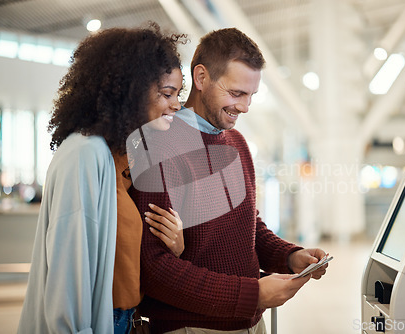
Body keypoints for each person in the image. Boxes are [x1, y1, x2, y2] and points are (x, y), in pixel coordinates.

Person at [128, 28, 329, 334]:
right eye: (236, 93)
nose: (245, 107)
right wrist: (255, 294)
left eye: (251, 95)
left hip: (250, 322)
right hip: (191, 327)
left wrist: (289, 256)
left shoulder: (237, 143)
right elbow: (155, 269)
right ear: (201, 77)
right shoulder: (160, 146)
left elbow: (248, 227)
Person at [18, 23, 186, 334]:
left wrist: (174, 246)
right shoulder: (86, 155)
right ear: (131, 90)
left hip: (123, 320)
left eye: (178, 94)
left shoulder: (122, 161)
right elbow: (69, 271)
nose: (177, 104)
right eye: (167, 93)